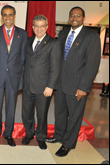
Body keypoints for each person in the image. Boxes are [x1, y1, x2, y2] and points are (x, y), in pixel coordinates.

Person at [46, 6, 101, 157]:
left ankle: (68, 144)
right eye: (72, 16)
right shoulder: (63, 33)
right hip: (61, 83)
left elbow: (92, 65)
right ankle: (58, 136)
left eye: (78, 16)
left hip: (77, 85)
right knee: (60, 112)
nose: (74, 18)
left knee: (75, 115)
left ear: (83, 18)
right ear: (69, 18)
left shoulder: (91, 37)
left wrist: (84, 87)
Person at [0, 5, 27, 147]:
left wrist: (21, 78)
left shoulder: (22, 34)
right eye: (5, 15)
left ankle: (8, 134)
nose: (7, 18)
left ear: (14, 16)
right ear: (1, 16)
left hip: (14, 77)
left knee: (11, 107)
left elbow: (23, 59)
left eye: (10, 15)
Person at [21, 15, 61, 150]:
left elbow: (56, 68)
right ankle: (29, 134)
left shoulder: (53, 43)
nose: (39, 29)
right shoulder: (27, 41)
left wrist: (50, 86)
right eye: (36, 26)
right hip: (27, 85)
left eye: (42, 26)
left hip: (44, 87)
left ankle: (41, 137)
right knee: (26, 113)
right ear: (32, 27)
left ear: (47, 27)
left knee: (42, 114)